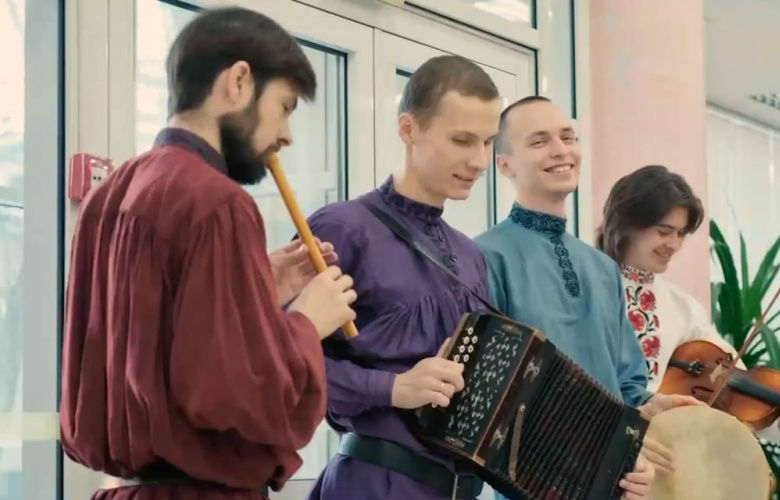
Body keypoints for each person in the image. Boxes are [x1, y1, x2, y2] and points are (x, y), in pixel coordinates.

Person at [59, 7, 358, 499]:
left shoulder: (106, 198)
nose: (286, 135)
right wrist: (307, 320)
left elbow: (158, 348)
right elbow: (239, 396)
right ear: (239, 81)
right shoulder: (219, 202)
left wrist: (256, 291)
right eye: (284, 107)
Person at [474, 96, 691, 500]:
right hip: (528, 485)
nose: (561, 150)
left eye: (568, 137)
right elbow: (489, 393)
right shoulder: (484, 257)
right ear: (503, 165)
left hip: (609, 484)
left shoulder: (603, 268)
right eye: (539, 141)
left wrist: (648, 409)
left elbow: (627, 383)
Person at [304, 55, 499, 500]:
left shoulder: (470, 255)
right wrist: (393, 388)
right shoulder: (342, 228)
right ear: (408, 128)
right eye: (462, 140)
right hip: (373, 485)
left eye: (488, 142)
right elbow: (281, 363)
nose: (480, 161)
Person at [595, 165, 780, 449]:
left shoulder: (682, 307)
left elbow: (732, 384)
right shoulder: (585, 285)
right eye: (664, 231)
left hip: (658, 448)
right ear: (627, 223)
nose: (674, 244)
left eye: (681, 234)